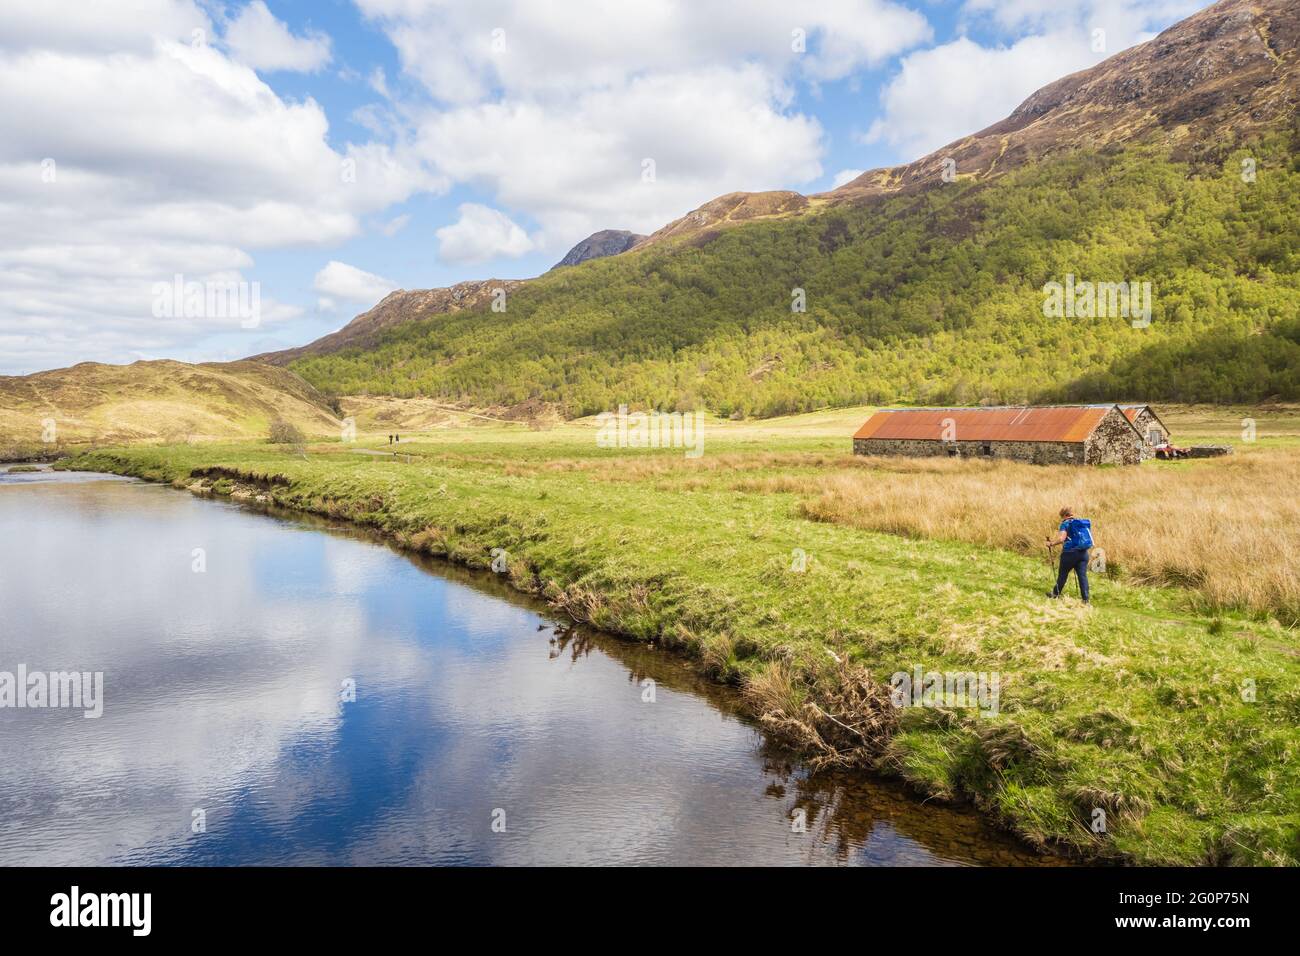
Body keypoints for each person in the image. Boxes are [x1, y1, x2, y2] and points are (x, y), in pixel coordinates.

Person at [1046, 506, 1092, 604]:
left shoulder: (1065, 524)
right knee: (1082, 576)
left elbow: (1062, 538)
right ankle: (1086, 600)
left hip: (1070, 554)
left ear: (1064, 515)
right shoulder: (1081, 523)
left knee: (1063, 574)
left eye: (1061, 517)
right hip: (1083, 553)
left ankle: (1055, 594)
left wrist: (1051, 544)